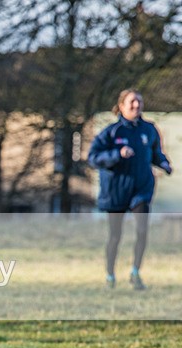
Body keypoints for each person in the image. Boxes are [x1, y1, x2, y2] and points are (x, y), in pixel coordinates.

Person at [88, 88, 172, 290]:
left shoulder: (149, 130)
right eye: (132, 102)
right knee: (115, 236)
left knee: (142, 232)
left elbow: (155, 154)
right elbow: (93, 158)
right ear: (122, 106)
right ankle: (110, 274)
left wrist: (164, 164)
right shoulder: (111, 132)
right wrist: (117, 154)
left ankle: (135, 272)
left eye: (139, 102)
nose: (137, 106)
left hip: (141, 190)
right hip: (116, 191)